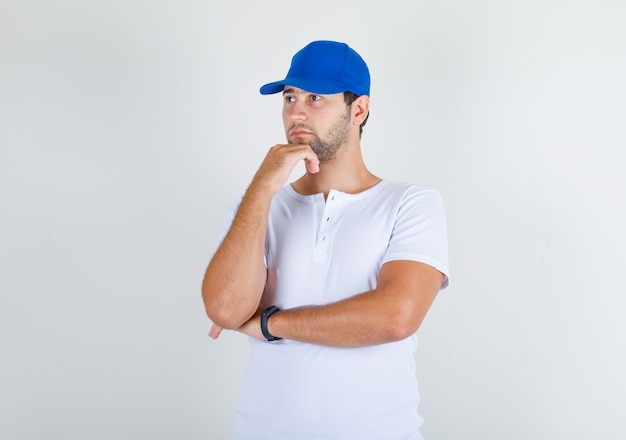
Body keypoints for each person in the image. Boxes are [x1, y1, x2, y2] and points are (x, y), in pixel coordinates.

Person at [202, 40, 449, 440]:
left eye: (315, 97)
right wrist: (265, 185)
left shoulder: (410, 203)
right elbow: (226, 311)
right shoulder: (254, 208)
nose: (296, 110)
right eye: (289, 96)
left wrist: (269, 324)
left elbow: (395, 317)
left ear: (359, 109)